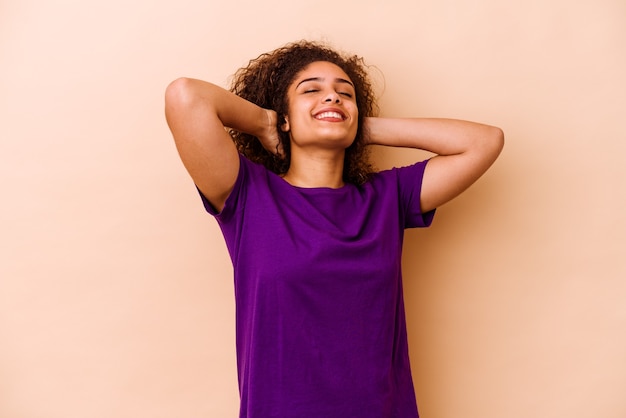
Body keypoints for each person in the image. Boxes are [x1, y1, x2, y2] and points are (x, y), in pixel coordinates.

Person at [165, 40, 504, 418]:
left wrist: (358, 125)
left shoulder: (387, 198)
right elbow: (185, 96)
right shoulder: (248, 195)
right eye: (311, 90)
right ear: (284, 117)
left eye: (346, 94)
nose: (332, 98)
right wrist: (265, 122)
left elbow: (484, 142)